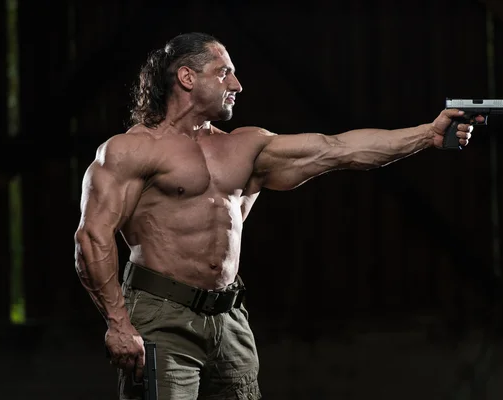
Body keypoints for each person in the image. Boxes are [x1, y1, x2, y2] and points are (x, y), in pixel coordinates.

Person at [73, 32, 479, 400]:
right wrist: (118, 323)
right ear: (186, 77)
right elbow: (92, 237)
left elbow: (338, 148)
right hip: (161, 315)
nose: (237, 85)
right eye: (224, 73)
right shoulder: (130, 151)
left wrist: (428, 133)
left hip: (228, 319)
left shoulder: (247, 147)